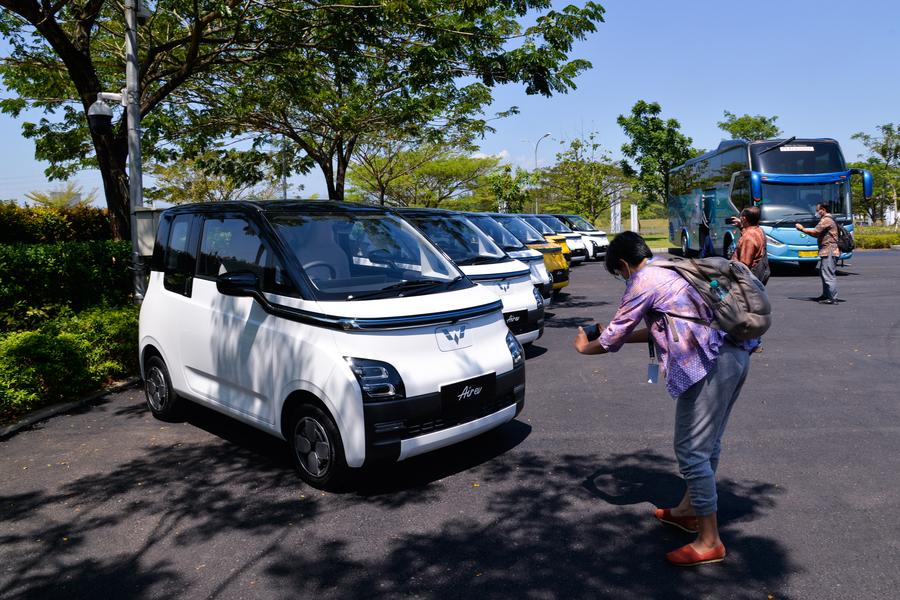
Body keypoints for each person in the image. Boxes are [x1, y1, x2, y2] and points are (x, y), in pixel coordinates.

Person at [574, 231, 752, 567]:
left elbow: (611, 337)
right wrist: (622, 338)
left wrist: (586, 347)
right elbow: (665, 326)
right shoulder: (676, 267)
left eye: (619, 273)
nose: (622, 279)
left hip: (707, 365)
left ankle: (709, 540)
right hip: (734, 354)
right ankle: (688, 511)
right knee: (708, 444)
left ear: (624, 264)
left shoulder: (643, 279)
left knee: (690, 449)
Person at [795, 202, 839, 304]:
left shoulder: (826, 219)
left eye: (817, 210)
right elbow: (817, 235)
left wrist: (801, 229)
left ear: (823, 209)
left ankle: (832, 298)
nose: (816, 212)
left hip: (830, 251)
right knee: (824, 273)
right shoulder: (827, 219)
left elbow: (815, 232)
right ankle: (826, 295)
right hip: (826, 251)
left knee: (828, 274)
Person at [731, 206, 769, 284]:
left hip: (748, 281)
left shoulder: (748, 237)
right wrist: (741, 226)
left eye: (741, 218)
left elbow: (744, 265)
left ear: (744, 219)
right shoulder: (759, 230)